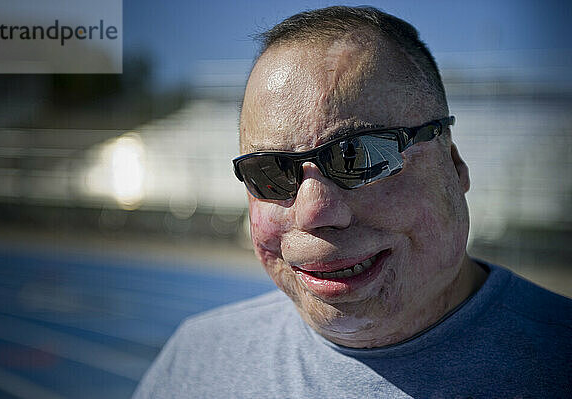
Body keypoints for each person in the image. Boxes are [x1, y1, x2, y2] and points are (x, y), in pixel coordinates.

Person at [133, 6, 571, 398]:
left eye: (360, 156)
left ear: (453, 165)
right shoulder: (197, 360)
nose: (314, 212)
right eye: (271, 171)